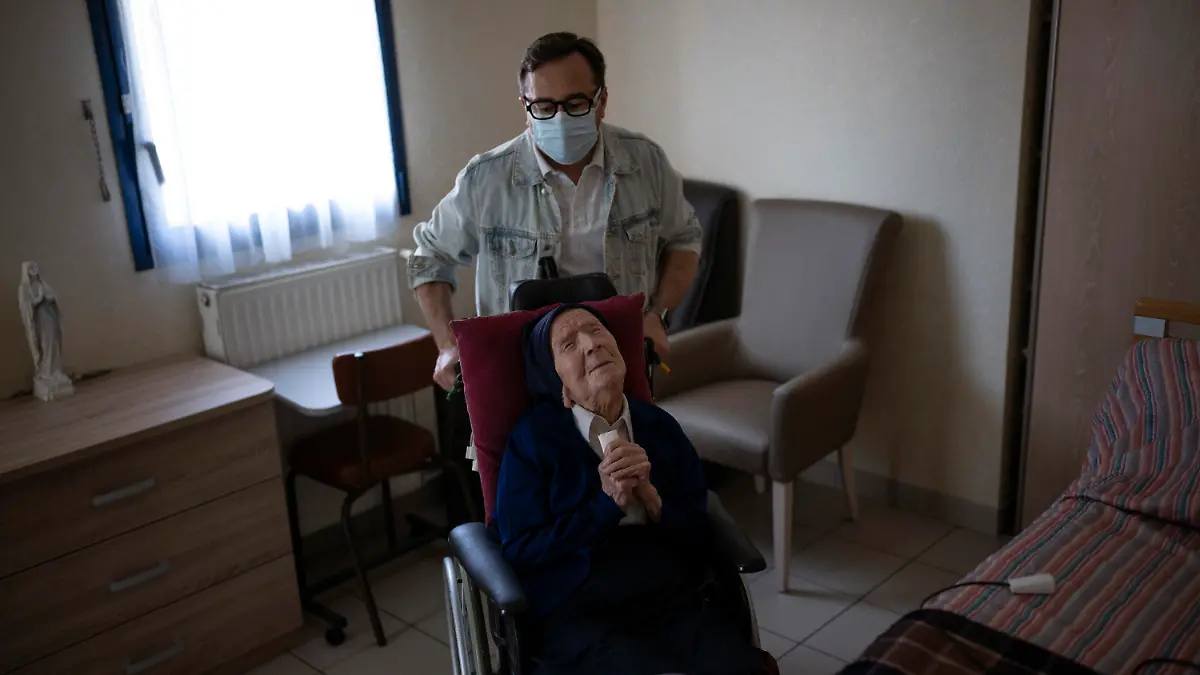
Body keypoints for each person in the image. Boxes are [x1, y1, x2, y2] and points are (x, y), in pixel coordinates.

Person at [407, 32, 702, 392]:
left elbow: (685, 238)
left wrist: (657, 315)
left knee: (625, 450)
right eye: (544, 107)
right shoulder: (486, 179)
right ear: (525, 106)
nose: (559, 119)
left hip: (617, 363)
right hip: (519, 372)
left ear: (602, 100)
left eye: (575, 103)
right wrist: (446, 345)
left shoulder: (645, 163)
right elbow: (429, 257)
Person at [492, 305, 766, 675]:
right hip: (578, 606)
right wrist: (606, 506)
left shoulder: (659, 427)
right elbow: (521, 550)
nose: (591, 344)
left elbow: (698, 528)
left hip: (668, 592)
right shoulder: (531, 443)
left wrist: (655, 503)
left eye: (596, 330)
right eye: (569, 344)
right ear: (554, 379)